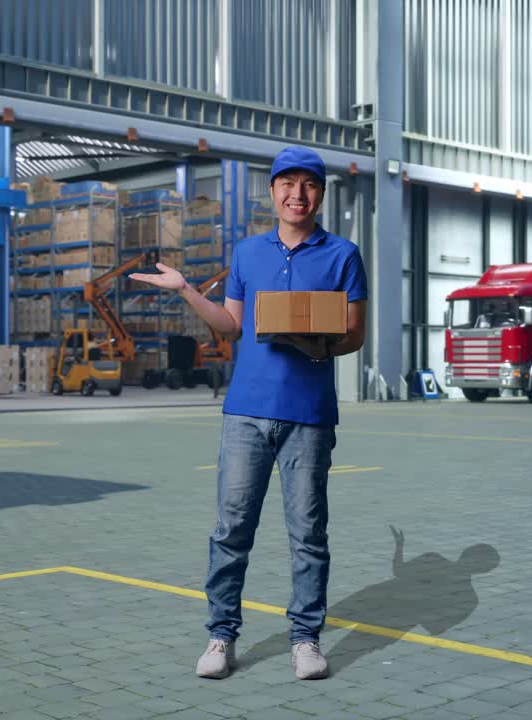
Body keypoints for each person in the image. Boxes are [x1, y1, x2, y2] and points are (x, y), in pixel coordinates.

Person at [130, 146, 368, 681]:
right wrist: (186, 289)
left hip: (309, 415)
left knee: (308, 532)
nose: (297, 194)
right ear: (273, 192)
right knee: (231, 528)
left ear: (321, 194)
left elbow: (354, 334)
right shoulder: (247, 254)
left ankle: (305, 639)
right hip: (245, 414)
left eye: (308, 185)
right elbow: (231, 326)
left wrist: (318, 343)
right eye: (287, 183)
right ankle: (221, 637)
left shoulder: (343, 255)